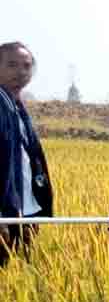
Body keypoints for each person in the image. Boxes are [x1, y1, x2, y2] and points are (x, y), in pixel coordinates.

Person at [0, 42, 54, 267]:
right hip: (6, 212)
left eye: (26, 66)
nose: (20, 72)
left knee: (21, 273)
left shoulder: (17, 105)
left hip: (27, 208)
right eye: (12, 65)